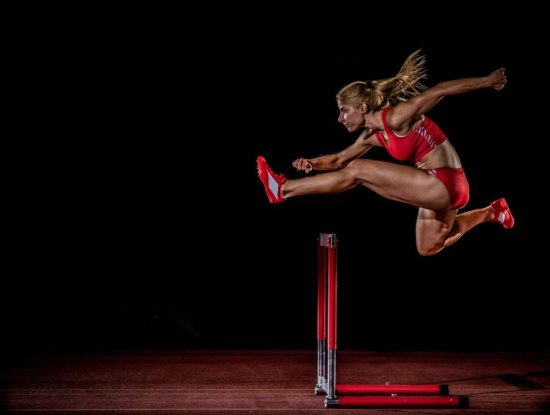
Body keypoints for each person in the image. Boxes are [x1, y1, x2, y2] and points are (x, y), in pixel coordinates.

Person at [256, 50, 514, 256]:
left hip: (444, 182)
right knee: (427, 246)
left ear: (363, 107)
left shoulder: (398, 116)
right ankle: (491, 212)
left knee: (358, 170)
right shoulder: (372, 135)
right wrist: (311, 163)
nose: (340, 118)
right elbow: (338, 160)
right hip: (440, 188)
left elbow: (440, 89)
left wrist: (487, 81)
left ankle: (283, 189)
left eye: (344, 110)